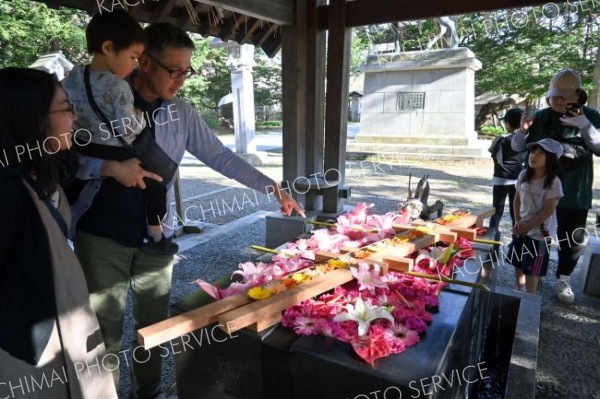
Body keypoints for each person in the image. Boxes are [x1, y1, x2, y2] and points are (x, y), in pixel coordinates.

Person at [70, 22, 305, 398]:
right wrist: (108, 167)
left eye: (187, 71)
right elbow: (67, 158)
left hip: (156, 235)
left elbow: (221, 157)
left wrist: (272, 187)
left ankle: (148, 392)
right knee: (104, 331)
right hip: (101, 232)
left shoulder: (181, 113)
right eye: (173, 70)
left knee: (154, 327)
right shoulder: (101, 97)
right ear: (144, 61)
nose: (181, 79)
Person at [0, 68, 117, 398]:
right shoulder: (7, 190)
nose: (74, 117)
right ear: (32, 119)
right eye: (66, 108)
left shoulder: (43, 172)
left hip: (69, 323)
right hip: (31, 350)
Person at [63, 10, 178, 256]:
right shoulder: (118, 85)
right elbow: (127, 126)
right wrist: (138, 117)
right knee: (158, 181)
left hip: (85, 145)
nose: (135, 64)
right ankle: (157, 234)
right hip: (115, 147)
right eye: (133, 57)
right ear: (108, 47)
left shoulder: (73, 76)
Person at [512, 68, 600, 302]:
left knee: (571, 237)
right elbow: (520, 147)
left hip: (574, 190)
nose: (557, 101)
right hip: (539, 189)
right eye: (554, 96)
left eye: (563, 96)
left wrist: (583, 124)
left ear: (577, 95)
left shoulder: (590, 115)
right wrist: (523, 130)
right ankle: (532, 278)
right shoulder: (541, 116)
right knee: (535, 234)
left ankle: (564, 278)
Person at [509, 139, 563, 294]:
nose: (534, 156)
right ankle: (519, 289)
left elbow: (548, 210)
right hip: (521, 228)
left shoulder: (553, 182)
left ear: (551, 159)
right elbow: (517, 199)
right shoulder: (524, 174)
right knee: (518, 260)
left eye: (541, 153)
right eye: (533, 152)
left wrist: (527, 226)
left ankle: (530, 300)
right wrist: (518, 221)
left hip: (540, 233)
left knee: (533, 269)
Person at [488, 108, 527, 229]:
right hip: (518, 178)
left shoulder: (501, 139)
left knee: (496, 211)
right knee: (515, 211)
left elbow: (494, 155)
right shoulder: (525, 139)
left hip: (501, 179)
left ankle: (492, 241)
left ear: (507, 123)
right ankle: (516, 240)